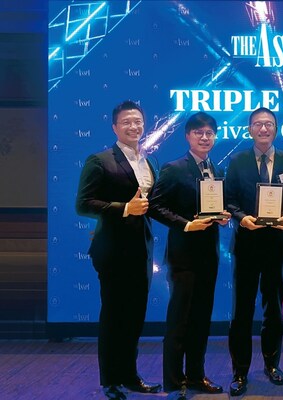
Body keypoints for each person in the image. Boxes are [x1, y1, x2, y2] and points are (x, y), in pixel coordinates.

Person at [75, 100, 161, 399]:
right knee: (113, 317)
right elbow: (83, 204)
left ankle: (130, 375)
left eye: (138, 121)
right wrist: (125, 208)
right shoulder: (99, 160)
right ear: (115, 127)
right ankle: (110, 381)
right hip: (112, 251)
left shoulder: (149, 163)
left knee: (135, 317)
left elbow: (156, 206)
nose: (133, 126)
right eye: (127, 121)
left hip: (141, 251)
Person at [148, 112, 230, 399]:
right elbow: (155, 206)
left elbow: (216, 206)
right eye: (199, 133)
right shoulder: (173, 168)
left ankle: (196, 376)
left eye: (209, 133)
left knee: (201, 319)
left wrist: (223, 217)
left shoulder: (216, 169)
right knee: (179, 320)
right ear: (188, 136)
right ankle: (174, 382)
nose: (205, 137)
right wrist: (185, 224)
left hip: (209, 255)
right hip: (183, 257)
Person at [224, 107, 283, 396]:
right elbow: (228, 199)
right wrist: (240, 217)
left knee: (274, 308)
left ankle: (272, 364)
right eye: (258, 124)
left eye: (269, 124)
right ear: (249, 130)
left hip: (276, 245)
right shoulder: (237, 161)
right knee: (242, 310)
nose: (263, 129)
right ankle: (240, 372)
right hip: (246, 245)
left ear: (275, 129)